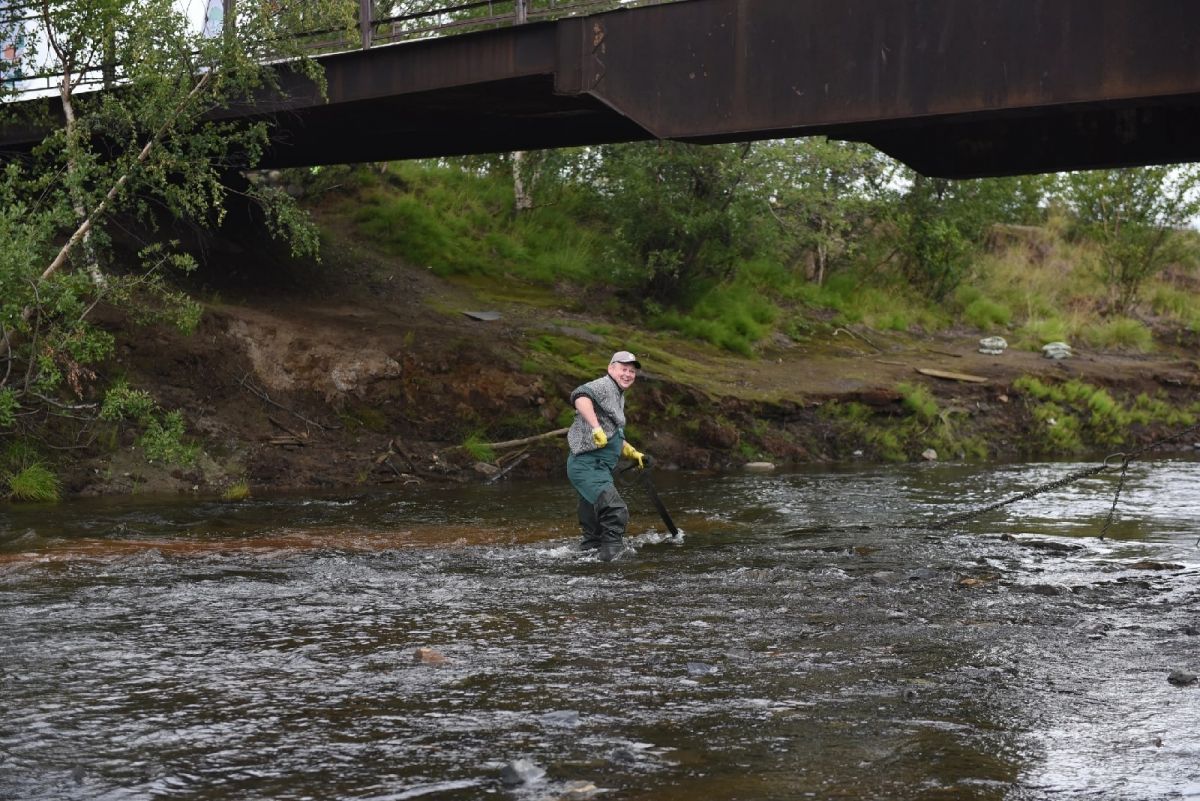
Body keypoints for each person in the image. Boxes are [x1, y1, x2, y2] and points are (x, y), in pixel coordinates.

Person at [566, 351, 649, 561]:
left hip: (598, 467)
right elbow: (580, 396)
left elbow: (612, 431)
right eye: (624, 369)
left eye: (632, 371)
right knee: (615, 510)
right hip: (587, 465)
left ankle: (591, 560)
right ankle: (612, 561)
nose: (628, 374)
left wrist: (631, 451)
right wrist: (595, 428)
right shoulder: (604, 385)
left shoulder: (618, 394)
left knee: (593, 523)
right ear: (611, 368)